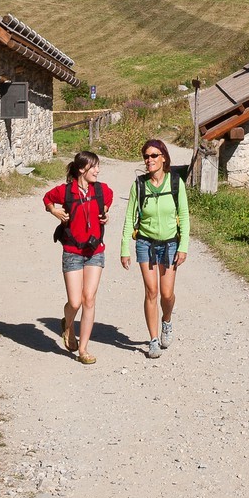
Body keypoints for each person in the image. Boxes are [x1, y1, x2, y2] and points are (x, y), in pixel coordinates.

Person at [120, 138, 189, 360]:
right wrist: (124, 248)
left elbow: (185, 217)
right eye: (146, 156)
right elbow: (129, 219)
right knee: (152, 291)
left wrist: (183, 246)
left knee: (167, 294)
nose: (149, 160)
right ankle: (153, 340)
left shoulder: (176, 183)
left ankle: (166, 321)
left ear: (164, 158)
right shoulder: (139, 185)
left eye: (153, 156)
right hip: (145, 243)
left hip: (170, 244)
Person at [43, 150, 113, 365]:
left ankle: (83, 349)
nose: (98, 170)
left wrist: (106, 213)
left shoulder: (102, 190)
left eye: (98, 166)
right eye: (94, 167)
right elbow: (47, 198)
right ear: (82, 169)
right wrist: (54, 211)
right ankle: (68, 325)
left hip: (95, 252)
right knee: (75, 302)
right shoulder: (65, 192)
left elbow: (106, 204)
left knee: (89, 299)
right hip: (73, 252)